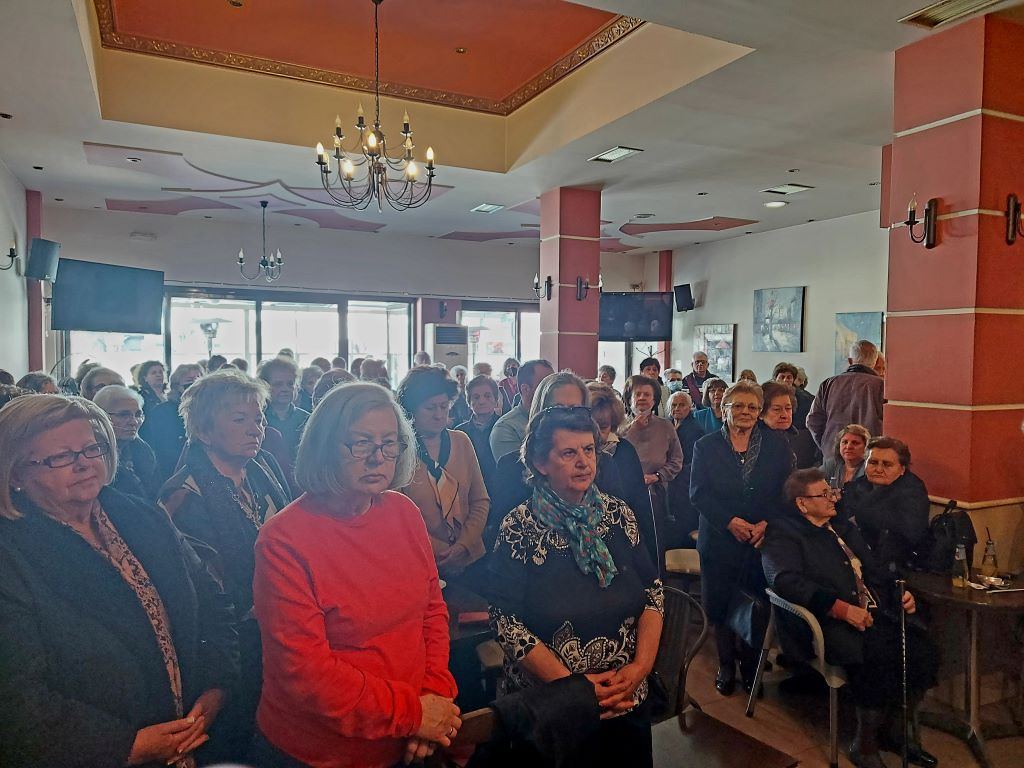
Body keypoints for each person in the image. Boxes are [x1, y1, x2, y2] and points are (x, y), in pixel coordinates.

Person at [0, 395, 238, 767]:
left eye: (90, 449)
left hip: (191, 736)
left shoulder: (140, 514)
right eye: (61, 457)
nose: (84, 464)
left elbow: (211, 602)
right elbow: (15, 696)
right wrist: (128, 746)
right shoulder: (11, 555)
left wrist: (216, 687)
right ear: (15, 474)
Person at [252, 382, 461, 768]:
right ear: (325, 447)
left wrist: (434, 695)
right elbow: (307, 674)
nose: (377, 458)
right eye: (361, 443)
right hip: (320, 752)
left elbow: (431, 611)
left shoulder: (403, 511)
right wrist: (415, 713)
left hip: (408, 737)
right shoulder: (283, 539)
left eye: (389, 444)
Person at [487, 405, 664, 768]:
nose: (584, 462)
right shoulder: (519, 527)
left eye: (589, 450)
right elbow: (505, 621)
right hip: (554, 708)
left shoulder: (619, 515)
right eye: (568, 453)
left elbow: (653, 592)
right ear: (540, 463)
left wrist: (641, 667)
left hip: (625, 695)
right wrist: (577, 691)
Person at [762, 468, 938, 768]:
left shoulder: (842, 527)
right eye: (824, 494)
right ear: (802, 503)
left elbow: (875, 570)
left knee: (922, 648)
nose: (833, 498)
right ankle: (865, 743)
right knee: (876, 656)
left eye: (831, 492)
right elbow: (786, 581)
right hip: (825, 620)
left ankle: (895, 731)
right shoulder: (784, 534)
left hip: (874, 612)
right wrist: (841, 609)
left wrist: (900, 593)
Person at [159, 370, 292, 757]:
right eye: (239, 419)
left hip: (279, 621)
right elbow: (205, 589)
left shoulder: (262, 466)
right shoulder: (183, 494)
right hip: (232, 639)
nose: (255, 429)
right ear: (204, 432)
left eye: (259, 418)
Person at [690, 380, 792, 696]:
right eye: (738, 405)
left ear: (759, 412)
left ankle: (750, 670)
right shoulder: (706, 446)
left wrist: (766, 523)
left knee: (754, 606)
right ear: (724, 409)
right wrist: (729, 521)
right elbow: (698, 493)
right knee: (719, 605)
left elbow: (785, 492)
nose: (745, 411)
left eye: (752, 406)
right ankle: (725, 666)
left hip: (759, 540)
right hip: (719, 539)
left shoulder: (777, 445)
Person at [396, 367, 489, 583]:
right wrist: (441, 551)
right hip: (423, 561)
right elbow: (399, 518)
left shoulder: (461, 441)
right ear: (411, 410)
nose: (439, 415)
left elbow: (480, 501)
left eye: (444, 406)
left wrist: (462, 545)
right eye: (430, 408)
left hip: (471, 558)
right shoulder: (399, 451)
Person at [838, 436, 930, 576]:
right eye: (873, 462)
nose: (879, 469)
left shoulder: (912, 490)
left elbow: (910, 530)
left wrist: (859, 516)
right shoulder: (861, 483)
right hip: (854, 554)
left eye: (887, 464)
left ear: (902, 469)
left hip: (896, 565)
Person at [588, 381, 657, 561]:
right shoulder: (572, 457)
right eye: (591, 426)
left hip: (620, 545)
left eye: (603, 427)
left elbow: (639, 506)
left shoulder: (624, 450)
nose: (597, 435)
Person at [621, 374, 683, 559]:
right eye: (637, 394)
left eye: (647, 395)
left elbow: (676, 460)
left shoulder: (665, 426)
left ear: (654, 400)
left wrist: (657, 476)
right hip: (624, 494)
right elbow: (612, 453)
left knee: (654, 545)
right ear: (629, 399)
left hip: (655, 493)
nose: (642, 398)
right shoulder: (619, 426)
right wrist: (633, 429)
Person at [807, 340, 884, 453]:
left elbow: (813, 421)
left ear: (850, 361)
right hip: (869, 454)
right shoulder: (882, 386)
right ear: (875, 361)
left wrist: (826, 445)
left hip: (832, 453)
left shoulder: (828, 384)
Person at [94, 384, 162, 500]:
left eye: (138, 414)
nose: (134, 422)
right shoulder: (93, 455)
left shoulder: (143, 450)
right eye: (123, 415)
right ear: (100, 417)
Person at [140, 363, 203, 480]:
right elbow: (164, 450)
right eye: (190, 381)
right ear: (176, 386)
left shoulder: (209, 410)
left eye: (199, 380)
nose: (196, 385)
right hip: (175, 472)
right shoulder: (163, 411)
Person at [489, 358, 554, 462]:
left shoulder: (560, 416)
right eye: (546, 386)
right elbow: (519, 470)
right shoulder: (506, 428)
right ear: (525, 389)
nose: (554, 390)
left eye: (554, 384)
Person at [667, 390, 705, 540]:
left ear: (690, 407)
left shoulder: (695, 429)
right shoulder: (666, 424)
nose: (677, 408)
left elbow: (692, 459)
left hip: (685, 476)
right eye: (674, 405)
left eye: (682, 405)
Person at [258, 357, 310, 460]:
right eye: (278, 384)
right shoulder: (257, 419)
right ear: (264, 386)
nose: (285, 389)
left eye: (290, 384)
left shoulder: (307, 419)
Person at [454, 374, 501, 488]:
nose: (481, 401)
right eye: (476, 397)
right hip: (469, 488)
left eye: (487, 396)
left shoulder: (505, 428)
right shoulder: (459, 432)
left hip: (501, 488)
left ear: (496, 400)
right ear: (469, 402)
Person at [760, 381, 819, 469]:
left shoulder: (800, 438)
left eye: (788, 408)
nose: (784, 415)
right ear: (761, 413)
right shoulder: (755, 441)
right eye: (777, 409)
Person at [823, 424, 871, 490]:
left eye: (855, 443)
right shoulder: (831, 465)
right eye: (845, 442)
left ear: (866, 447)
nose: (848, 447)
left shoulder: (870, 468)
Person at [773, 362, 813, 430]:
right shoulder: (767, 394)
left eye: (789, 377)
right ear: (775, 379)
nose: (785, 380)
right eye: (782, 377)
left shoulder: (805, 398)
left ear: (793, 380)